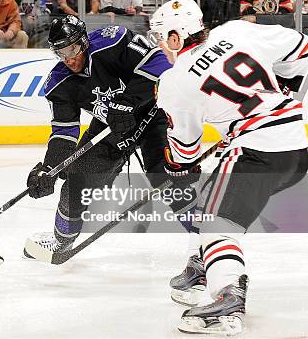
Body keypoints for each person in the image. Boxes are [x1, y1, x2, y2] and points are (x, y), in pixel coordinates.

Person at [149, 0, 308, 335]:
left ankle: (227, 293)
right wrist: (279, 92)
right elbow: (303, 49)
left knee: (213, 222)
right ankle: (200, 263)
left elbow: (185, 152)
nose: (161, 47)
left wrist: (175, 166)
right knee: (213, 198)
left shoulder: (173, 81)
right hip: (294, 145)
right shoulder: (237, 30)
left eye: (162, 38)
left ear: (176, 37)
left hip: (257, 150)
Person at [24, 14, 198, 259]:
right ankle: (62, 242)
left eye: (72, 49)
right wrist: (49, 169)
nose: (69, 59)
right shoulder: (59, 83)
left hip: (151, 113)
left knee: (166, 177)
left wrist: (127, 103)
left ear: (83, 42)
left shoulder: (113, 41)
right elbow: (64, 132)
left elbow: (160, 65)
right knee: (76, 181)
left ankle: (203, 239)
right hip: (111, 129)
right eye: (60, 53)